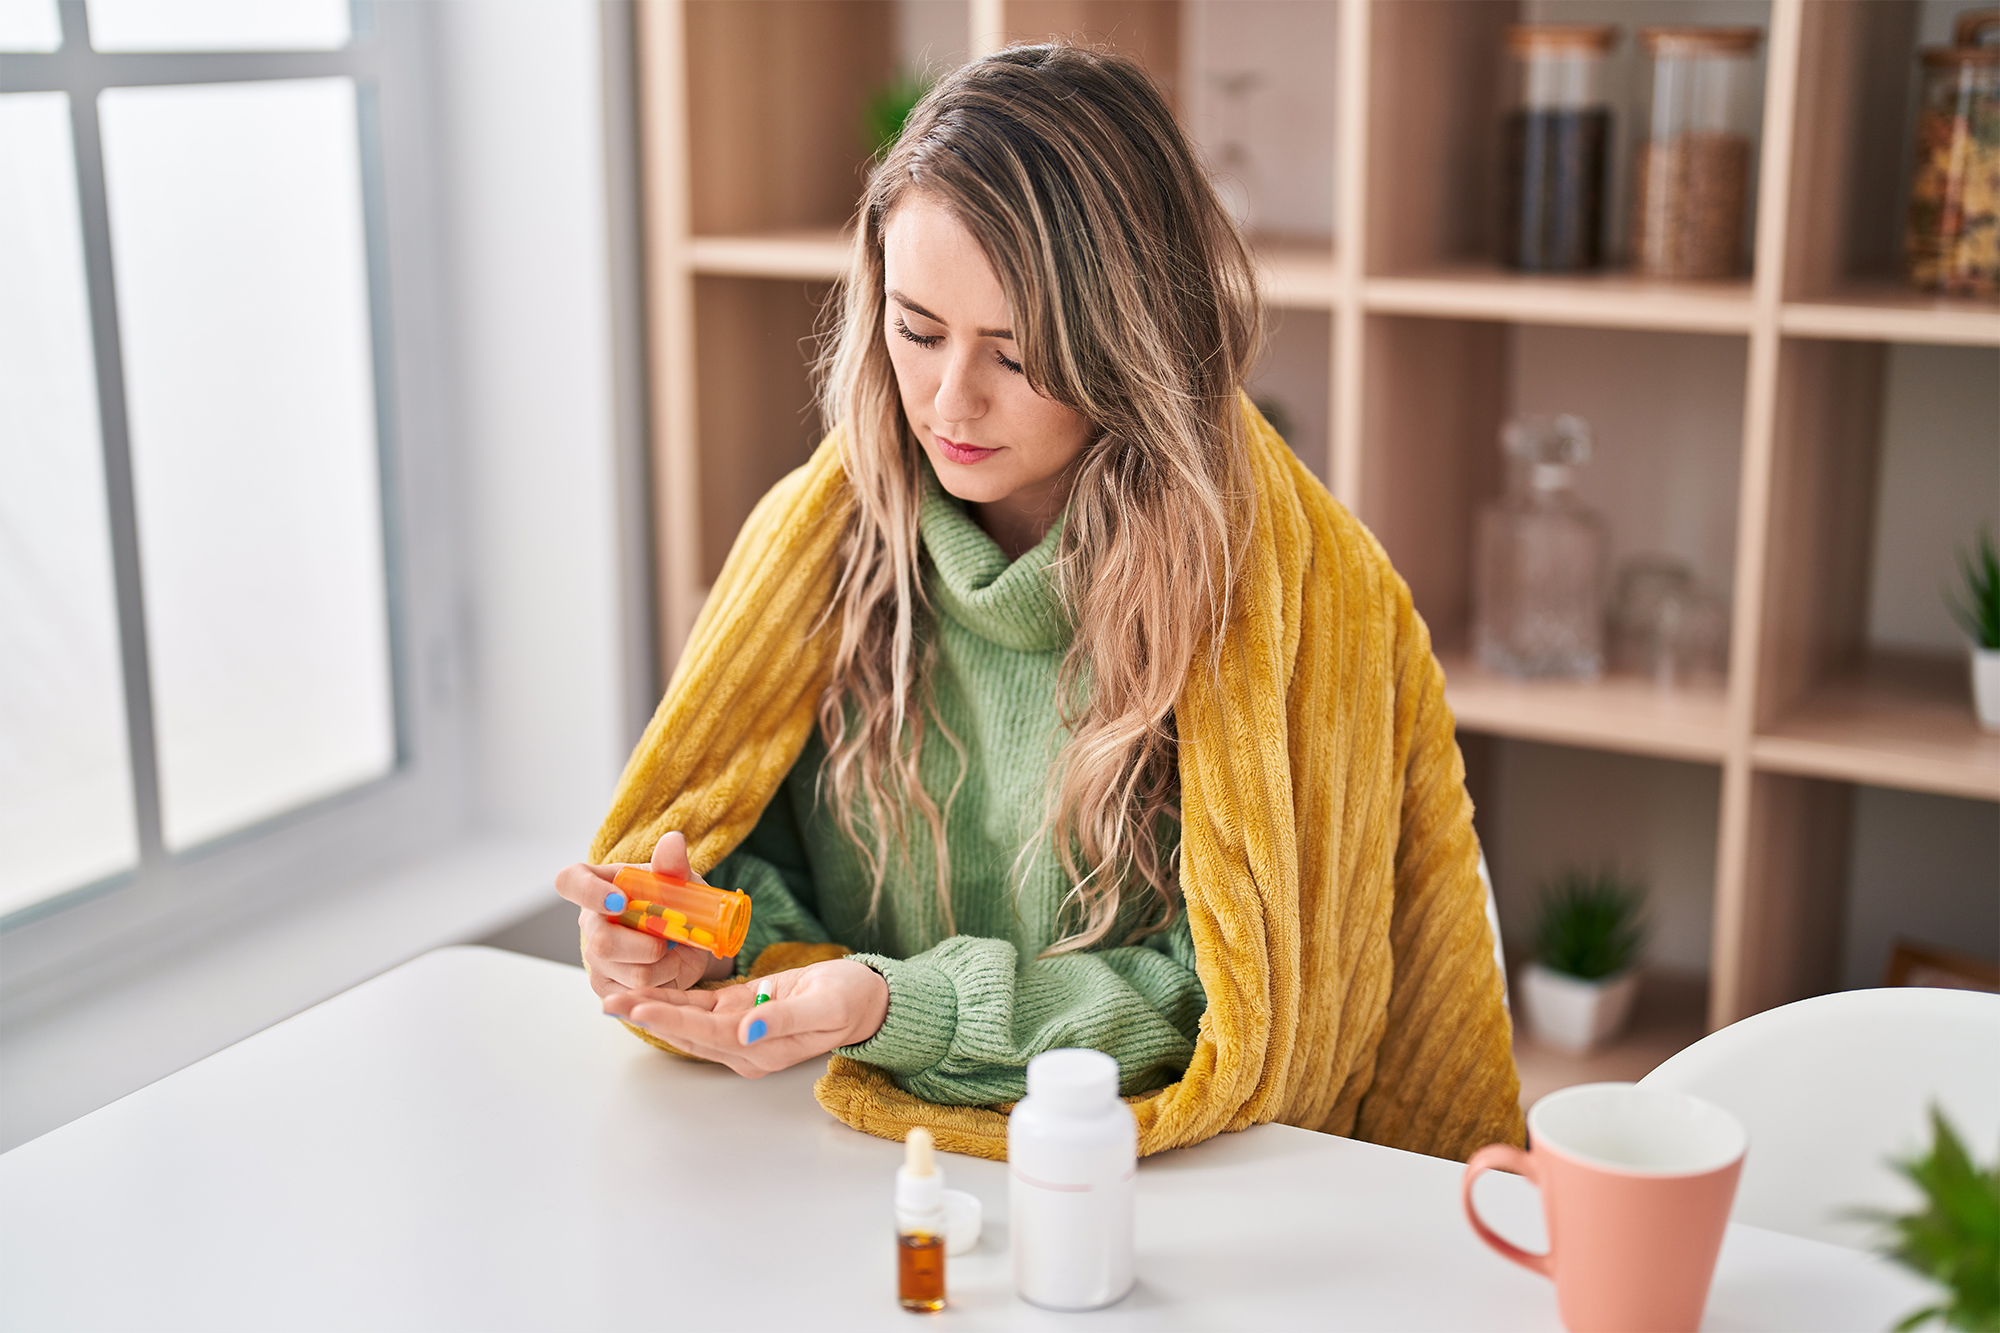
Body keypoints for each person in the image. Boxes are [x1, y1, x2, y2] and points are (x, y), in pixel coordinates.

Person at [556, 43, 1523, 1162]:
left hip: (1160, 1189)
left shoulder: (1290, 600)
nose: (948, 400)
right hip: (835, 1166)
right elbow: (745, 860)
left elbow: (1225, 1018)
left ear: (1131, 344)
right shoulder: (815, 545)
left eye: (1016, 357)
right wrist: (703, 938)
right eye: (916, 331)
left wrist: (897, 1006)